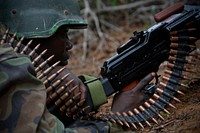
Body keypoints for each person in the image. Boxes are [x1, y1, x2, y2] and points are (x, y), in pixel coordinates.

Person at [0, 0, 155, 132]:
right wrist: (117, 119)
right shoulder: (9, 67)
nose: (70, 44)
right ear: (33, 38)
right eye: (63, 34)